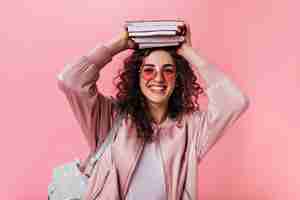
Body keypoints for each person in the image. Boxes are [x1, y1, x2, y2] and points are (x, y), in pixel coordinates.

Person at [56, 22, 250, 200]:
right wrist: (118, 44)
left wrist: (190, 54)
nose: (158, 78)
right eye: (149, 70)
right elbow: (70, 80)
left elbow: (234, 102)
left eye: (168, 70)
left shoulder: (191, 129)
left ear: (177, 78)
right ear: (137, 76)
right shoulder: (110, 118)